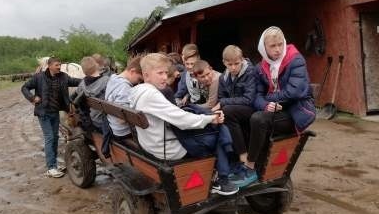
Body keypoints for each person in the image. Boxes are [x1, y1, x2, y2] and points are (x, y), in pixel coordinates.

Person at [129, 53, 239, 196]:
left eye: (165, 73)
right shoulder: (151, 95)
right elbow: (182, 120)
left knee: (209, 126)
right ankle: (219, 180)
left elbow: (175, 115)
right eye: (160, 73)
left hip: (150, 142)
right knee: (219, 130)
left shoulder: (138, 91)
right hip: (167, 148)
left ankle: (218, 171)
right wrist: (209, 119)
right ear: (146, 75)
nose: (164, 77)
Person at [246, 27, 316, 182]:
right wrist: (265, 105)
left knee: (258, 119)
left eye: (280, 44)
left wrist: (269, 99)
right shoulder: (261, 67)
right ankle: (245, 158)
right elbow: (256, 95)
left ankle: (250, 165)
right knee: (243, 114)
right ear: (264, 48)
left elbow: (295, 91)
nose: (278, 49)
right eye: (272, 46)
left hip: (296, 111)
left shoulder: (295, 59)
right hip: (275, 110)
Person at [21, 57, 81, 178]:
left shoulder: (63, 77)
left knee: (55, 137)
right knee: (49, 137)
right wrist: (32, 98)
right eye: (56, 65)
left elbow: (75, 81)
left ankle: (54, 165)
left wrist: (89, 79)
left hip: (55, 112)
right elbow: (24, 87)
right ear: (49, 66)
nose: (59, 67)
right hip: (43, 112)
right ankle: (51, 168)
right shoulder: (39, 77)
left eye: (60, 65)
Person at [214, 45, 257, 187]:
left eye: (236, 64)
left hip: (249, 109)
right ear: (224, 63)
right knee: (219, 116)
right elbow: (220, 97)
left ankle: (243, 158)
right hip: (233, 111)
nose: (233, 68)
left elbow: (248, 99)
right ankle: (230, 162)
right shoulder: (223, 78)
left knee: (226, 110)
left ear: (242, 60)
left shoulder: (250, 72)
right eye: (229, 64)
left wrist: (224, 103)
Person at [105, 56, 143, 139]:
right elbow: (122, 120)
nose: (139, 83)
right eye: (139, 79)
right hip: (123, 131)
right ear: (132, 71)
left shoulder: (113, 78)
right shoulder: (124, 88)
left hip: (112, 125)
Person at [72, 56, 110, 132]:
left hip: (92, 119)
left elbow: (73, 97)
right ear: (97, 65)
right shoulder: (107, 80)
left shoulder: (82, 84)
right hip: (103, 122)